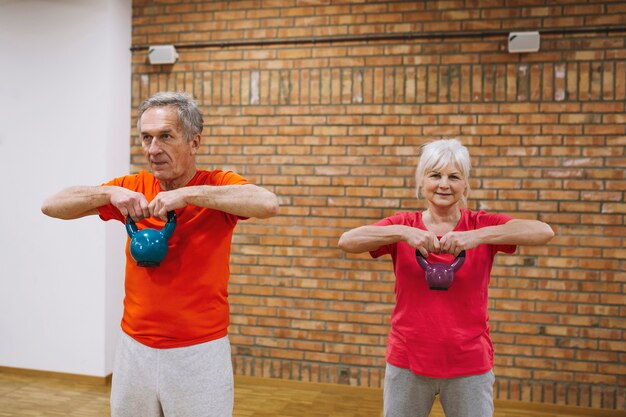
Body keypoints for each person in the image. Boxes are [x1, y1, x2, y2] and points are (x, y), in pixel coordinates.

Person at [41, 92, 279, 417]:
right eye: (146, 138)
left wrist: (189, 194)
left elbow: (266, 203)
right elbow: (52, 205)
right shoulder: (133, 188)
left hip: (198, 351)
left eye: (166, 136)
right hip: (133, 347)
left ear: (194, 142)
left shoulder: (215, 185)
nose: (154, 149)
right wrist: (109, 192)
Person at [338, 139, 554, 417]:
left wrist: (476, 237)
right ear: (421, 181)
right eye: (435, 175)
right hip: (407, 360)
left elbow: (543, 231)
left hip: (469, 363)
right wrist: (403, 233)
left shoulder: (480, 224)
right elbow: (347, 241)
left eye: (454, 177)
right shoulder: (403, 225)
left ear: (465, 184)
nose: (444, 184)